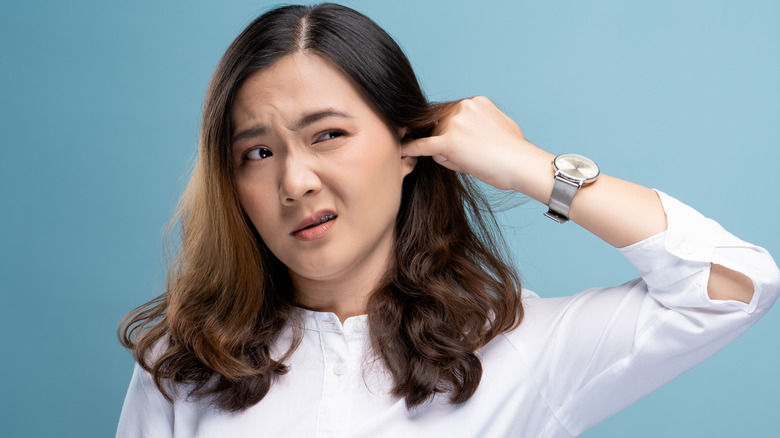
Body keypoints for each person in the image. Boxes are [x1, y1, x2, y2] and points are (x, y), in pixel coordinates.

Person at [116, 3, 780, 437]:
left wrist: (529, 165)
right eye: (257, 152)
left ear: (409, 144)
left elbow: (732, 285)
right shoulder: (183, 366)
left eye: (328, 135)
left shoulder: (520, 350)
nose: (294, 181)